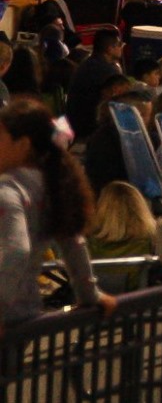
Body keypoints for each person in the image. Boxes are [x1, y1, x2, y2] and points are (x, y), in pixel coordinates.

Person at [0, 98, 111, 327]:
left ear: (22, 145)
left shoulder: (8, 190)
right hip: (27, 312)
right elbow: (73, 243)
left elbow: (17, 249)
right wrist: (90, 294)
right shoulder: (53, 187)